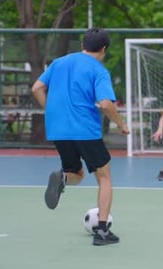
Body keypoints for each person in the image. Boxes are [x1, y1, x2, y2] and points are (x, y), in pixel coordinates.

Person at [31, 28, 130, 246]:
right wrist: (121, 124)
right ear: (104, 48)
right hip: (85, 129)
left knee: (75, 172)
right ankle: (102, 231)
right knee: (104, 177)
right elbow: (105, 104)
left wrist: (52, 110)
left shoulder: (59, 63)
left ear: (83, 44)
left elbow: (37, 87)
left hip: (58, 129)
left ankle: (63, 179)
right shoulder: (99, 70)